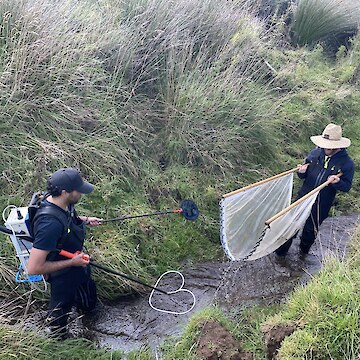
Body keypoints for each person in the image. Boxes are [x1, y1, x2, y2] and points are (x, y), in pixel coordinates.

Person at [27, 168, 102, 339]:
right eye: (78, 190)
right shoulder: (49, 225)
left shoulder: (62, 202)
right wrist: (72, 262)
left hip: (77, 262)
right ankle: (58, 339)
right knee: (59, 313)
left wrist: (85, 220)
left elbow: (67, 217)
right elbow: (33, 267)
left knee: (88, 293)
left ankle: (88, 314)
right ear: (64, 192)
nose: (81, 193)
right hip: (61, 273)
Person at [275, 123, 354, 257]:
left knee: (310, 232)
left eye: (328, 146)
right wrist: (301, 172)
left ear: (338, 146)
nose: (325, 148)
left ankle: (302, 256)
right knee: (290, 226)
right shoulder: (315, 153)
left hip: (322, 203)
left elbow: (346, 187)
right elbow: (303, 175)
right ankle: (280, 256)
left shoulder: (347, 163)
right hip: (303, 196)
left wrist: (337, 182)